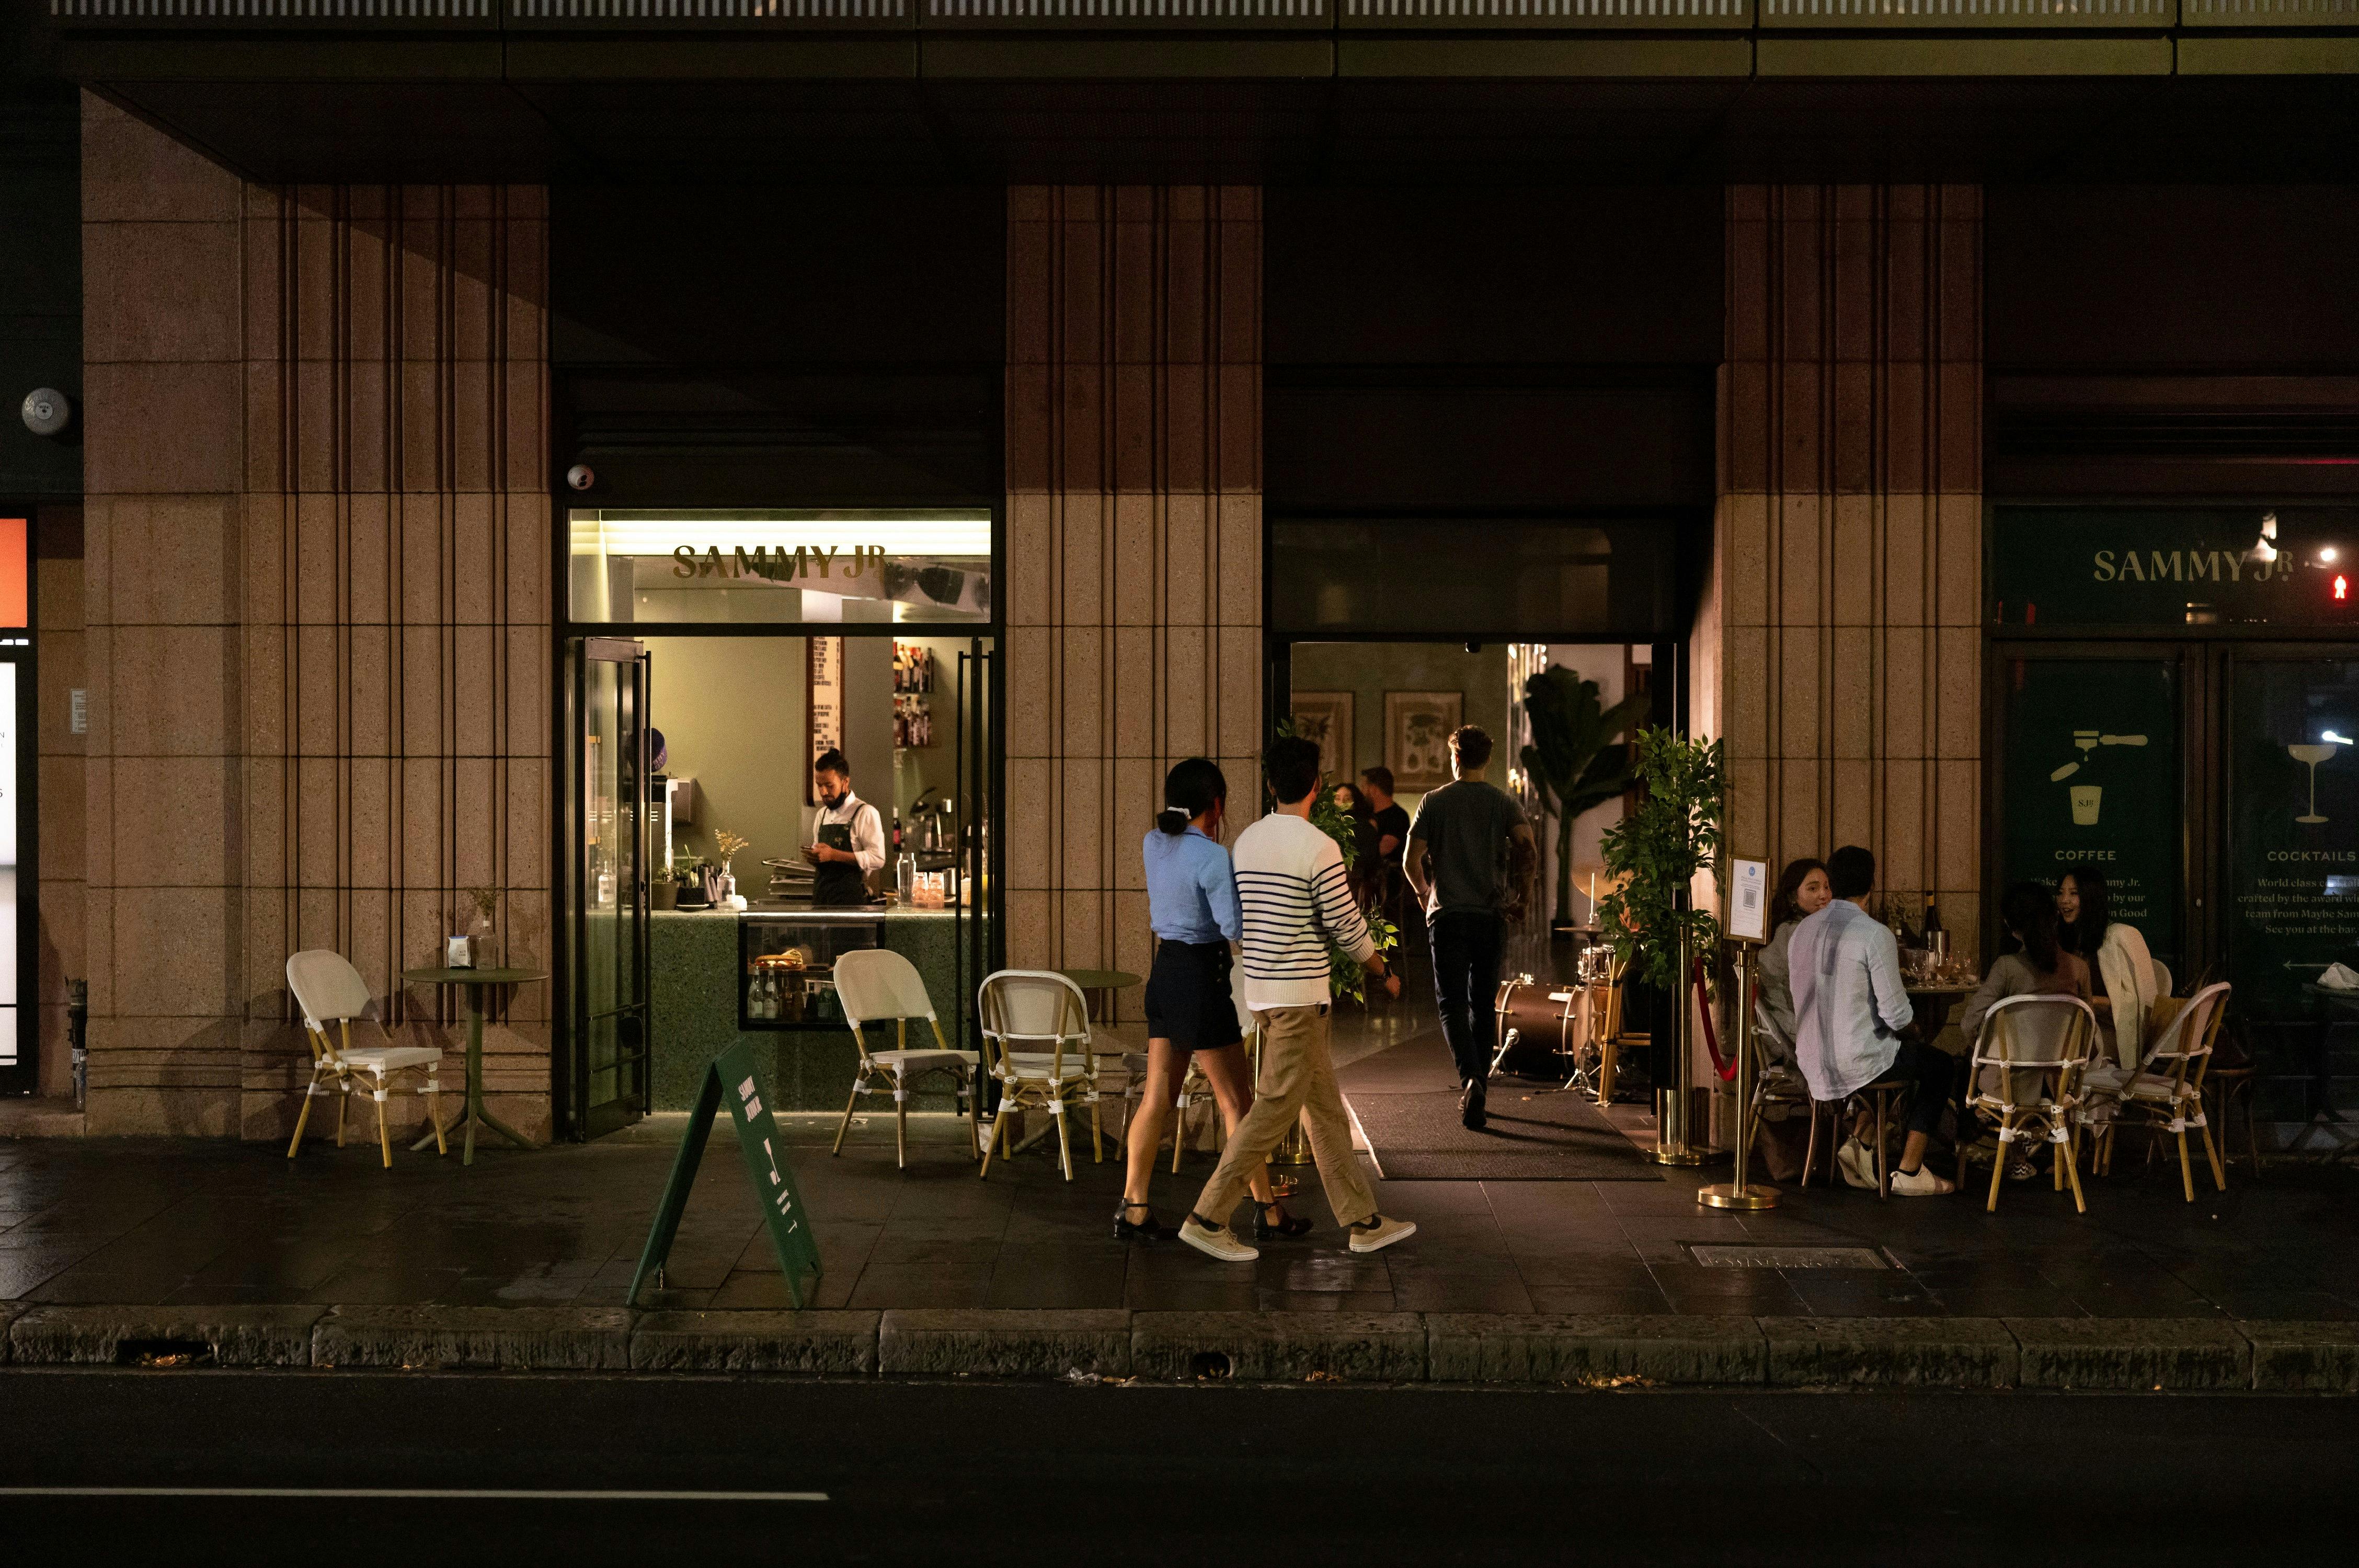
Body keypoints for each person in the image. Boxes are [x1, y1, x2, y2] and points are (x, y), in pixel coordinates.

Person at [1179, 736, 1417, 1263]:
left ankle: (1363, 1221)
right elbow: (1345, 925)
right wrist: (1382, 968)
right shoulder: (1318, 847)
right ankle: (1207, 1216)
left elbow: (1241, 919)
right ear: (1317, 786)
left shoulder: (1247, 842)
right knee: (1272, 1111)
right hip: (1300, 999)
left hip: (1264, 993)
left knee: (1325, 1113)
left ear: (1270, 786)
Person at [1118, 759, 1305, 1244]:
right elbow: (1234, 928)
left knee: (1158, 1095)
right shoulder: (1213, 857)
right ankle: (1267, 1212)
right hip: (1202, 980)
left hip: (1165, 976)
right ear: (1216, 805)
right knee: (1237, 1102)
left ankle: (1134, 1207)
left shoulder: (1153, 843)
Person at [1790, 844, 1958, 1196]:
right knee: (1938, 1065)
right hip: (1858, 1061)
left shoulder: (1801, 932)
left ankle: (1861, 1141)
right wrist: (1913, 1031)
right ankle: (1911, 1171)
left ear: (1832, 886)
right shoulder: (1873, 934)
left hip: (1810, 1059)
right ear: (1872, 886)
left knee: (1904, 1058)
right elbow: (1895, 1013)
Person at [1403, 725, 1539, 1129]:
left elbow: (1412, 860)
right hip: (1489, 916)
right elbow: (1528, 850)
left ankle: (1470, 1079)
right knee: (1482, 1003)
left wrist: (1424, 892)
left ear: (1456, 758)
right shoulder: (1502, 802)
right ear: (1487, 760)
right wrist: (1523, 900)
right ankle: (1481, 1082)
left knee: (1451, 1004)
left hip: (1447, 916)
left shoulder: (1434, 802)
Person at [1960, 881, 2092, 1183]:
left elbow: (1970, 1024)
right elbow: (2086, 1033)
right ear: (2053, 918)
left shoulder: (2008, 967)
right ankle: (2025, 1151)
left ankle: (1999, 1150)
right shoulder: (2079, 968)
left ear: (2009, 925)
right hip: (2059, 1086)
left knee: (1965, 1070)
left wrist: (1984, 1052)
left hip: (2009, 1086)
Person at [2057, 864, 2158, 1068]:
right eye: (2060, 893)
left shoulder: (2121, 935)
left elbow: (2145, 1001)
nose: (2064, 900)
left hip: (2113, 1032)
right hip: (2077, 1026)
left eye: (2074, 893)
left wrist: (2091, 1001)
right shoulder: (2066, 938)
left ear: (2091, 897)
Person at [1756, 857, 1830, 1060]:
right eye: (1813, 889)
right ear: (1793, 897)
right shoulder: (1797, 933)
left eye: (1827, 887)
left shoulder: (1788, 928)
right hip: (1793, 1039)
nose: (1824, 895)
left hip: (1781, 1034)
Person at [805, 748, 884, 906]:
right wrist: (815, 856)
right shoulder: (821, 815)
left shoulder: (865, 813)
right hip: (821, 899)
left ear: (845, 782)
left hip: (851, 903)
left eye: (829, 785)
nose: (823, 792)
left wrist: (834, 855)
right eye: (819, 786)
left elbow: (878, 858)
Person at [1332, 781, 1382, 912]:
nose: (1342, 802)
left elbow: (1370, 859)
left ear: (1355, 801)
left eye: (1347, 798)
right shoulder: (1328, 826)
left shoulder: (1365, 826)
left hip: (1357, 885)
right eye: (1337, 798)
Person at [1360, 766, 1410, 874]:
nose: (1362, 792)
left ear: (1373, 790)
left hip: (1387, 880)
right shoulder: (1365, 815)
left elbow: (1384, 849)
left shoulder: (1398, 816)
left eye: (1364, 787)